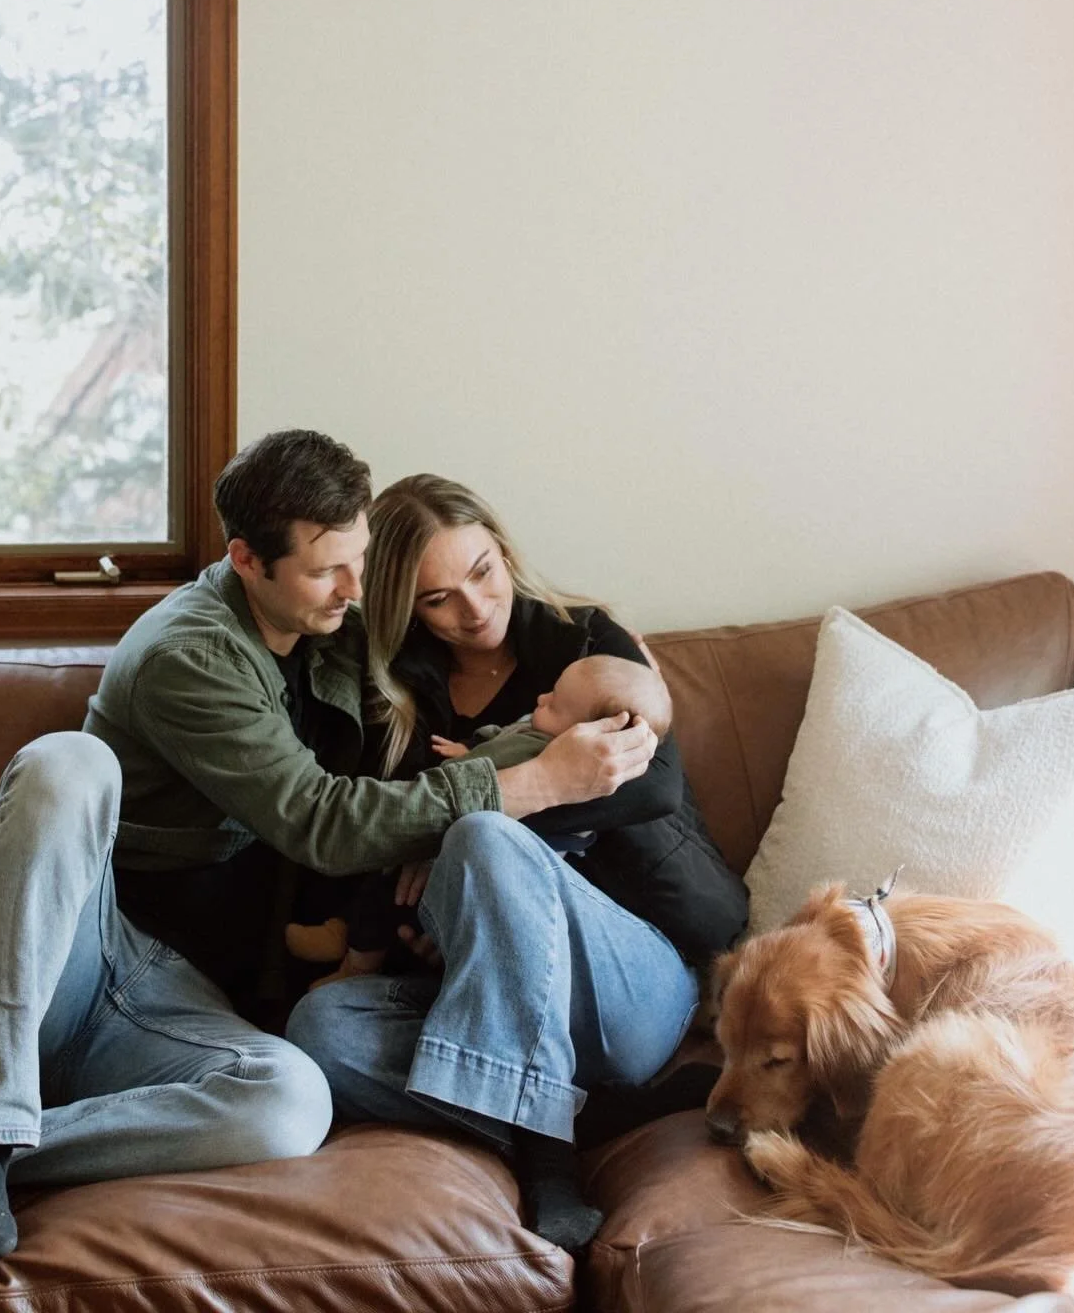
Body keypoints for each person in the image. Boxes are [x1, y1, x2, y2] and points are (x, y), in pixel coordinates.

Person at [0, 433, 656, 1265]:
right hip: (72, 960)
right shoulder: (189, 655)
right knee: (69, 761)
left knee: (292, 1101)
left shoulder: (335, 629)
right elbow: (319, 820)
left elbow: (446, 750)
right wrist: (537, 780)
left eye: (359, 559)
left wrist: (585, 720)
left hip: (173, 1005)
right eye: (328, 570)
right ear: (248, 560)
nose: (357, 589)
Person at [286, 474, 747, 1254]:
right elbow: (375, 855)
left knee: (486, 836)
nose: (474, 608)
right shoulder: (394, 695)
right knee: (318, 1030)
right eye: (438, 599)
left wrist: (486, 824)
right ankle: (577, 1110)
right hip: (477, 987)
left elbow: (652, 788)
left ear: (503, 550)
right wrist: (463, 908)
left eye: (482, 572)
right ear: (406, 609)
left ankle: (546, 1155)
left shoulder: (586, 643)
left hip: (626, 982)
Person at [285, 652, 676, 981]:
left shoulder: (543, 751)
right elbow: (503, 734)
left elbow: (488, 775)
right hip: (461, 872)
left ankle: (356, 961)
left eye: (554, 703)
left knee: (392, 891)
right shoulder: (544, 729)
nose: (541, 698)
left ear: (593, 734)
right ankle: (346, 930)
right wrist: (469, 745)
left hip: (494, 885)